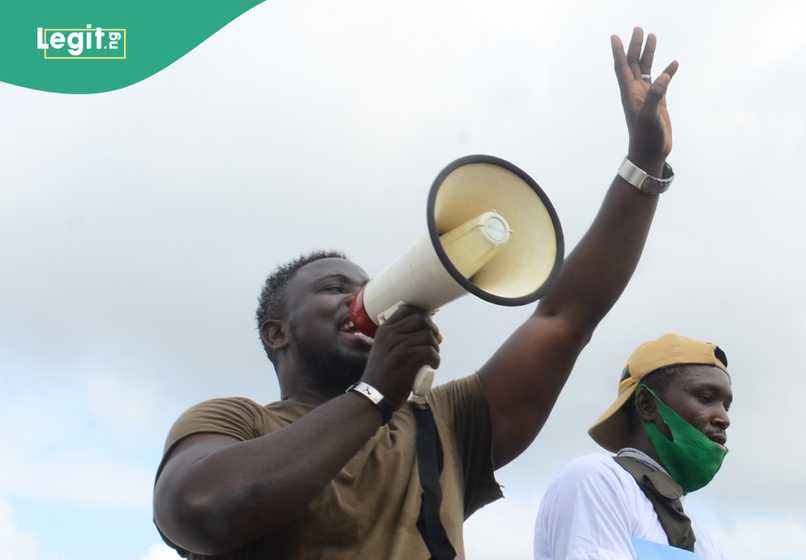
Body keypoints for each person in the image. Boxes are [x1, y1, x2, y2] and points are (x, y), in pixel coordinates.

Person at [152, 26, 681, 559]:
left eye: (369, 286)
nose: (363, 298)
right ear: (276, 332)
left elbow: (564, 318)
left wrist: (644, 166)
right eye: (335, 289)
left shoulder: (443, 423)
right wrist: (375, 394)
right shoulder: (235, 422)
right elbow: (200, 512)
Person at [534, 334, 732, 559]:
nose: (724, 418)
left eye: (726, 405)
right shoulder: (599, 479)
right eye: (706, 397)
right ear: (646, 404)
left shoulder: (704, 541)